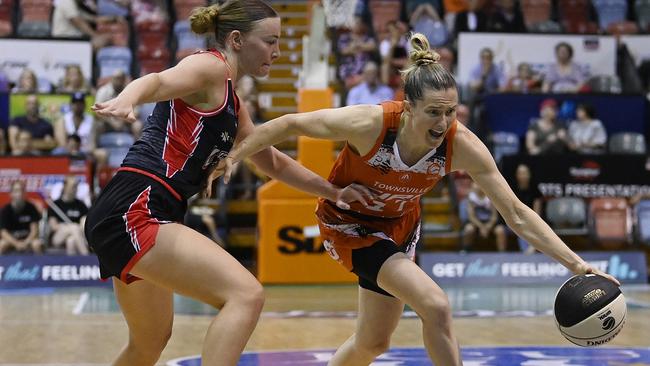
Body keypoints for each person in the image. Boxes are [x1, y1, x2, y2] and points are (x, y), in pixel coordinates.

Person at [220, 33, 620, 365]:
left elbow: (515, 213)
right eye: (434, 112)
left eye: (451, 111)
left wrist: (578, 264)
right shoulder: (369, 123)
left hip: (400, 228)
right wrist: (236, 155)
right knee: (436, 305)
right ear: (408, 107)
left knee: (373, 342)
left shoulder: (462, 145)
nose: (444, 122)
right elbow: (290, 123)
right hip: (349, 225)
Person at [84, 1, 366, 365]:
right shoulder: (210, 67)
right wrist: (128, 98)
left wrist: (335, 192)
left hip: (139, 210)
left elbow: (273, 162)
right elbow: (159, 80)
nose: (277, 52)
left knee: (149, 342)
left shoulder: (232, 102)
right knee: (245, 295)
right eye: (269, 41)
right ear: (236, 39)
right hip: (138, 206)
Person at [48, 175, 89, 255]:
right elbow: (54, 226)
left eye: (76, 186)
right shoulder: (56, 205)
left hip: (77, 236)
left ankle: (74, 266)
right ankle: (86, 256)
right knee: (74, 227)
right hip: (58, 237)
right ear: (65, 187)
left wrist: (77, 228)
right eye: (73, 186)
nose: (75, 189)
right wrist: (70, 227)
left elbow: (84, 223)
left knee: (71, 241)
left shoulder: (81, 205)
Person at [461, 182, 508, 252]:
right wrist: (482, 227)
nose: (477, 187)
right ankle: (466, 250)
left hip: (490, 222)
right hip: (476, 222)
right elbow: (471, 217)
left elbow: (494, 216)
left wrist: (487, 227)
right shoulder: (471, 197)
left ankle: (502, 253)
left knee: (500, 230)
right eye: (476, 184)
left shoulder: (490, 196)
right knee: (468, 229)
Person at [0, 181, 43, 254]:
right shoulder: (5, 210)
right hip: (11, 240)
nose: (19, 194)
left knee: (37, 244)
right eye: (16, 191)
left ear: (25, 193)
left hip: (28, 239)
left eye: (22, 190)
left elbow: (34, 230)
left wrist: (26, 242)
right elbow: (3, 232)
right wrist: (16, 243)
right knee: (1, 244)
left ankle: (41, 264)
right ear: (11, 194)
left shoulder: (32, 208)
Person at [510, 164, 543, 254]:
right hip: (516, 218)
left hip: (531, 218)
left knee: (537, 227)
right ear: (517, 175)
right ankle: (525, 252)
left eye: (525, 173)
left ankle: (532, 248)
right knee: (519, 226)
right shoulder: (512, 189)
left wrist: (532, 221)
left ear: (529, 174)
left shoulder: (535, 189)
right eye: (520, 173)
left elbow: (537, 212)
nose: (523, 175)